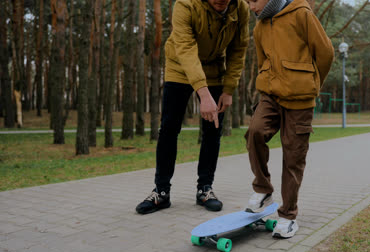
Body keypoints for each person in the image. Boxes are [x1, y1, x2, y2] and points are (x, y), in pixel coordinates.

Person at [136, 0, 250, 214]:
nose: (220, 0)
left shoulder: (241, 9)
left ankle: (205, 189)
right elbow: (186, 49)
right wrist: (202, 92)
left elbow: (238, 49)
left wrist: (228, 90)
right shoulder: (185, 4)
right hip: (179, 66)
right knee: (169, 129)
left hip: (214, 69)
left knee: (213, 130)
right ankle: (161, 192)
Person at [244, 0, 334, 238]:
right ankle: (263, 189)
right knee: (254, 132)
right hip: (270, 95)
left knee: (293, 156)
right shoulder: (259, 27)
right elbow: (262, 60)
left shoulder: (301, 13)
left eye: (253, 1)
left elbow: (325, 52)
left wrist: (311, 84)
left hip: (301, 99)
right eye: (247, 2)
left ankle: (287, 216)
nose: (251, 6)